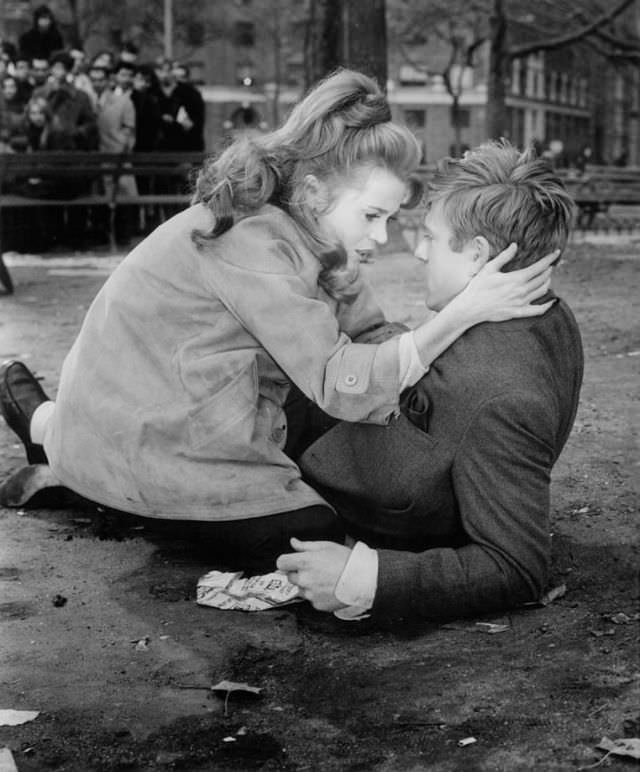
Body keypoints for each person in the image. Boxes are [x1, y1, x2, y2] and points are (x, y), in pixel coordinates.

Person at [0, 70, 556, 573]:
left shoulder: (316, 233)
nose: (384, 239)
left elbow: (370, 337)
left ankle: (49, 429)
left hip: (198, 403)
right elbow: (339, 380)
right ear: (315, 193)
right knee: (307, 536)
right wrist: (460, 315)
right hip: (158, 418)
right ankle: (64, 454)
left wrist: (439, 379)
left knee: (331, 490)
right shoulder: (252, 237)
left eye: (390, 218)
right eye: (372, 216)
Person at [277, 139, 583, 622]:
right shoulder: (544, 312)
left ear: (479, 255)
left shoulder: (504, 394)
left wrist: (365, 579)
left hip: (336, 490)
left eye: (432, 237)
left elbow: (517, 566)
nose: (419, 253)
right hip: (352, 437)